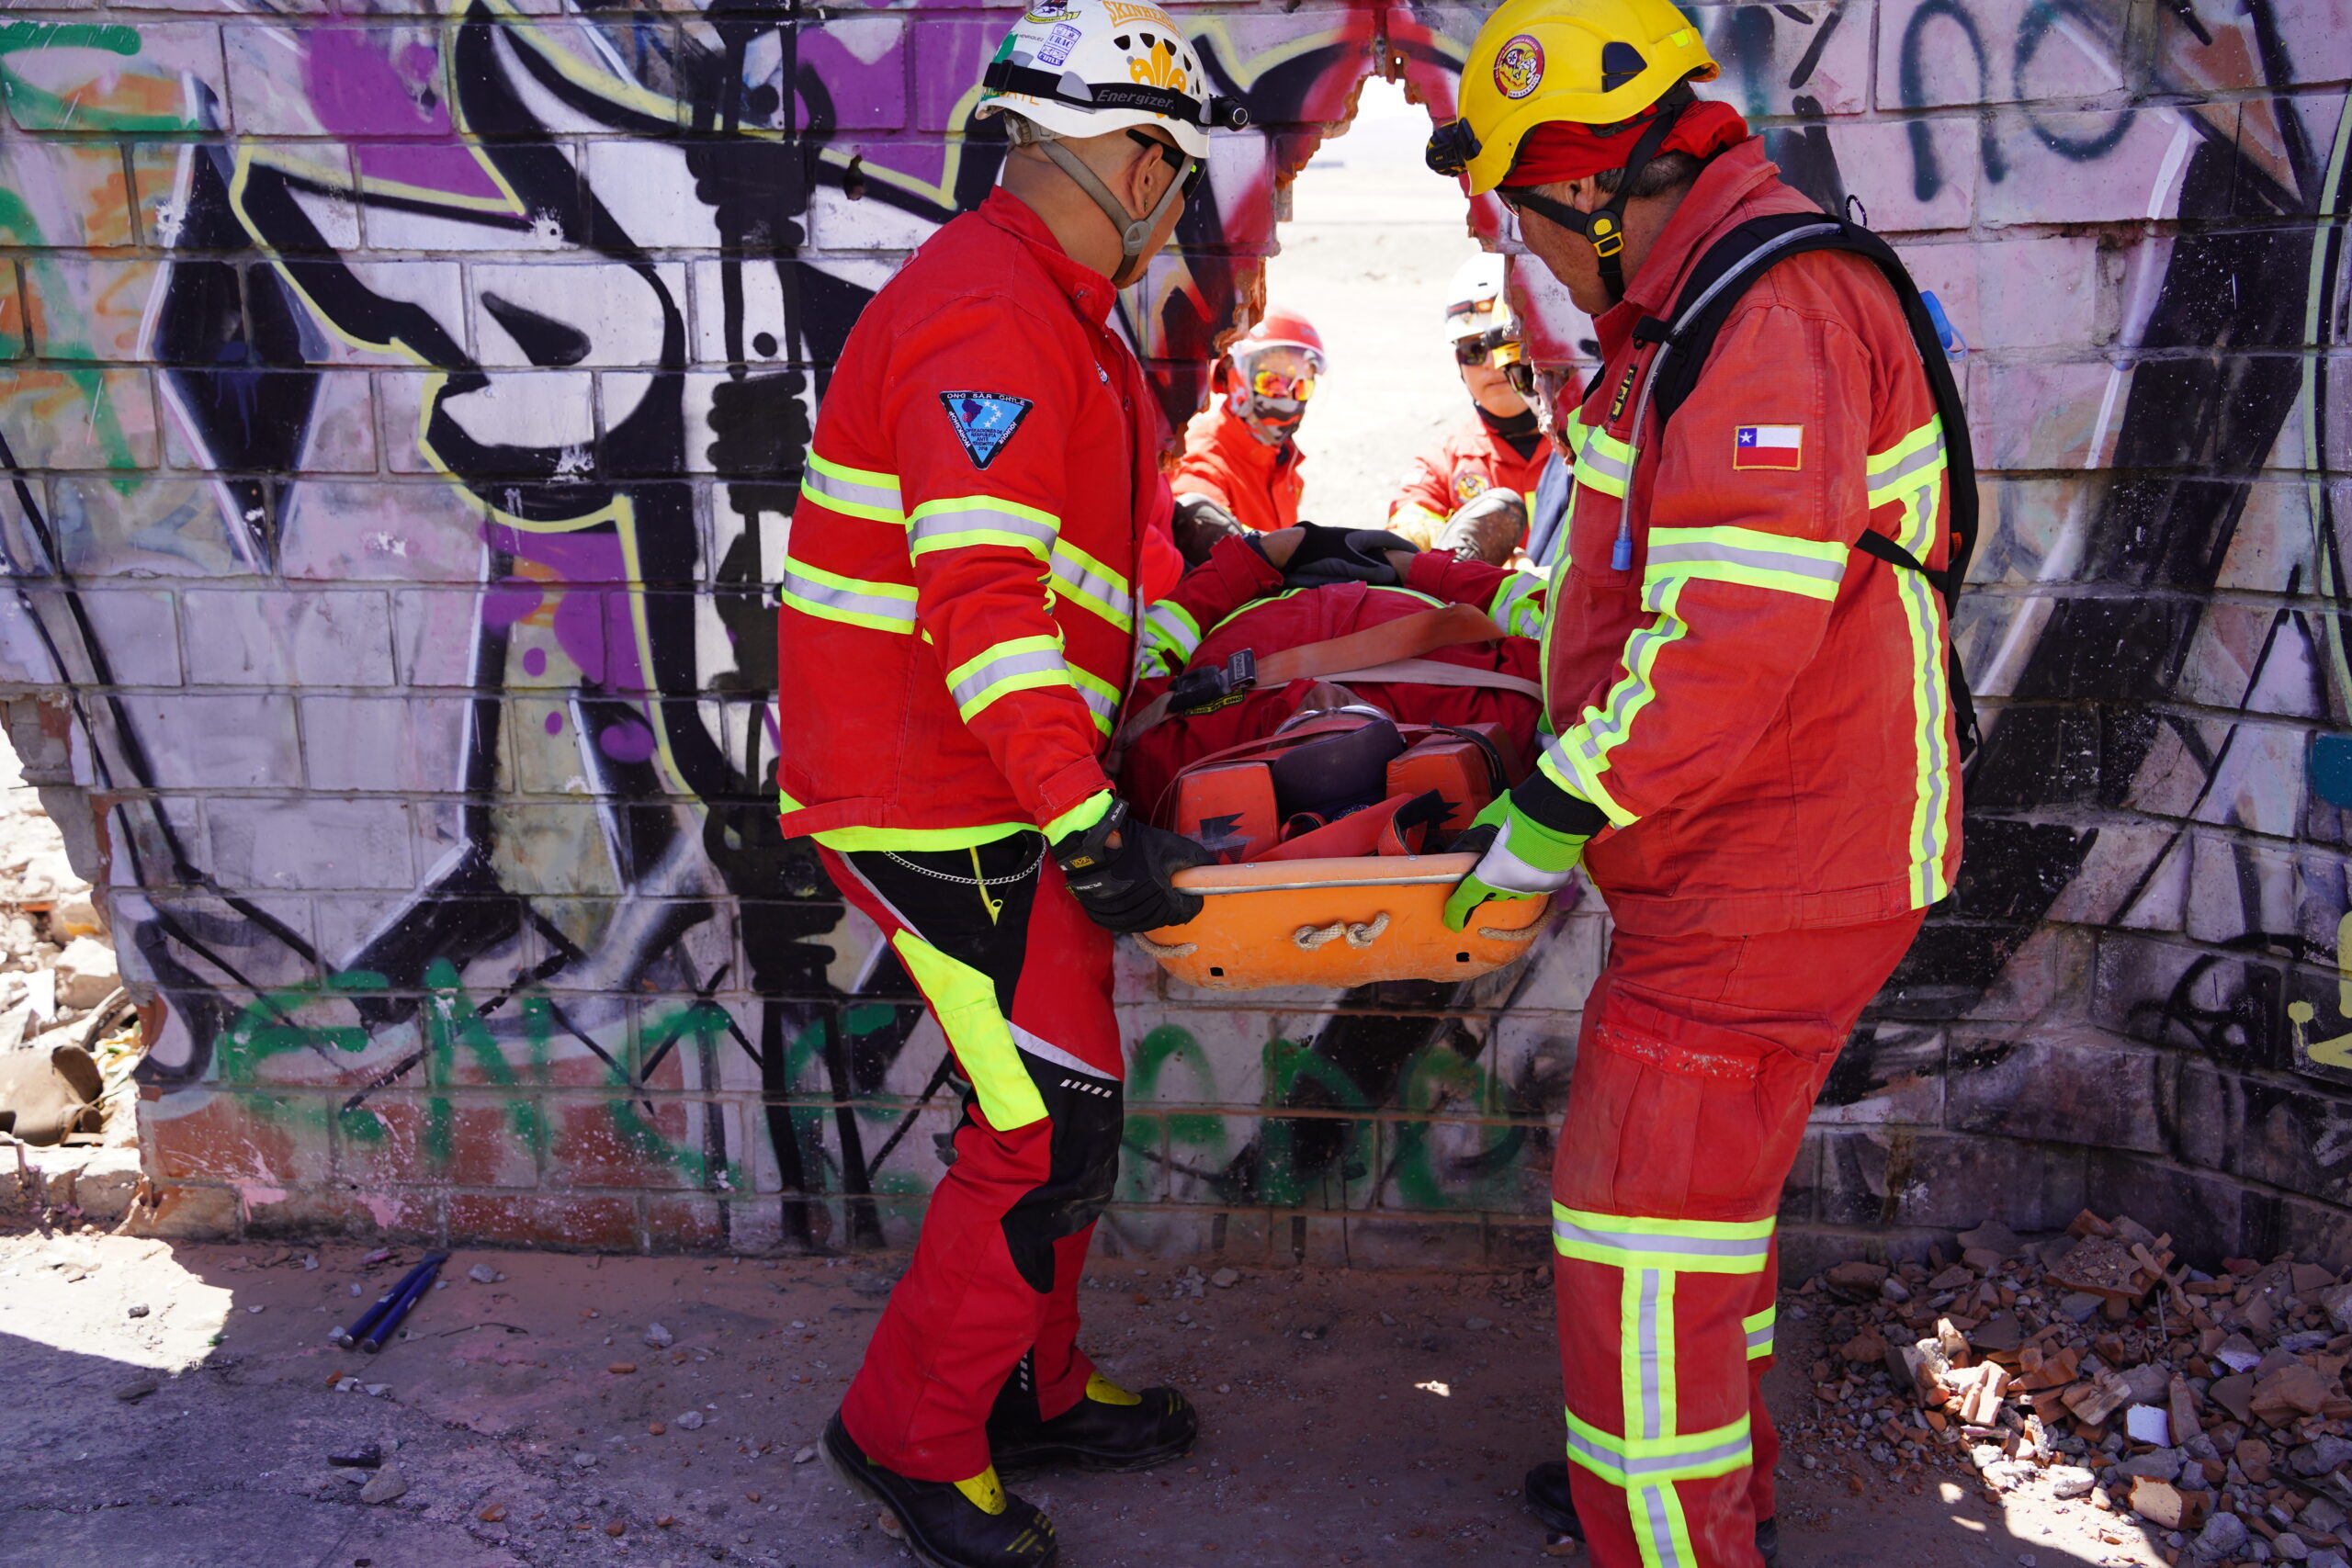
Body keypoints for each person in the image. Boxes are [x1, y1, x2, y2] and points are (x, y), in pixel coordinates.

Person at [1427, 1, 1964, 1563]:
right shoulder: (1695, 302)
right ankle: (1710, 1486)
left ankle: (1671, 1532)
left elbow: (1726, 635)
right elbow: (1631, 562)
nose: (1528, 248)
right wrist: (1501, 632)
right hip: (1745, 862)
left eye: (1528, 210)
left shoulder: (1763, 307)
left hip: (1766, 874)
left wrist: (1552, 808)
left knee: (1640, 1243)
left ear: (1595, 182)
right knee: (1700, 1235)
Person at [771, 5, 1247, 1562]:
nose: (1178, 199)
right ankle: (907, 1434)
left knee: (1069, 1101)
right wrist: (1087, 814)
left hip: (996, 791)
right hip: (936, 808)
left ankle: (1027, 1384)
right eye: (1172, 167)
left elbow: (1099, 565)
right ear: (1122, 155)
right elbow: (987, 612)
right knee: (1040, 1126)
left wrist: (1239, 576)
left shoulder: (1054, 309)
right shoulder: (994, 318)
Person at [1388, 254, 1550, 564]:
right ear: (1458, 363)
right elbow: (1404, 534)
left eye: (1508, 347)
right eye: (1474, 350)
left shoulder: (1581, 448)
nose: (1492, 363)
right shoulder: (1442, 465)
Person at [1166, 308, 1326, 559]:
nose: (1289, 398)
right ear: (1233, 374)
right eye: (1272, 382)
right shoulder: (1202, 463)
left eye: (1301, 386)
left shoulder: (1282, 461)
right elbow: (1205, 538)